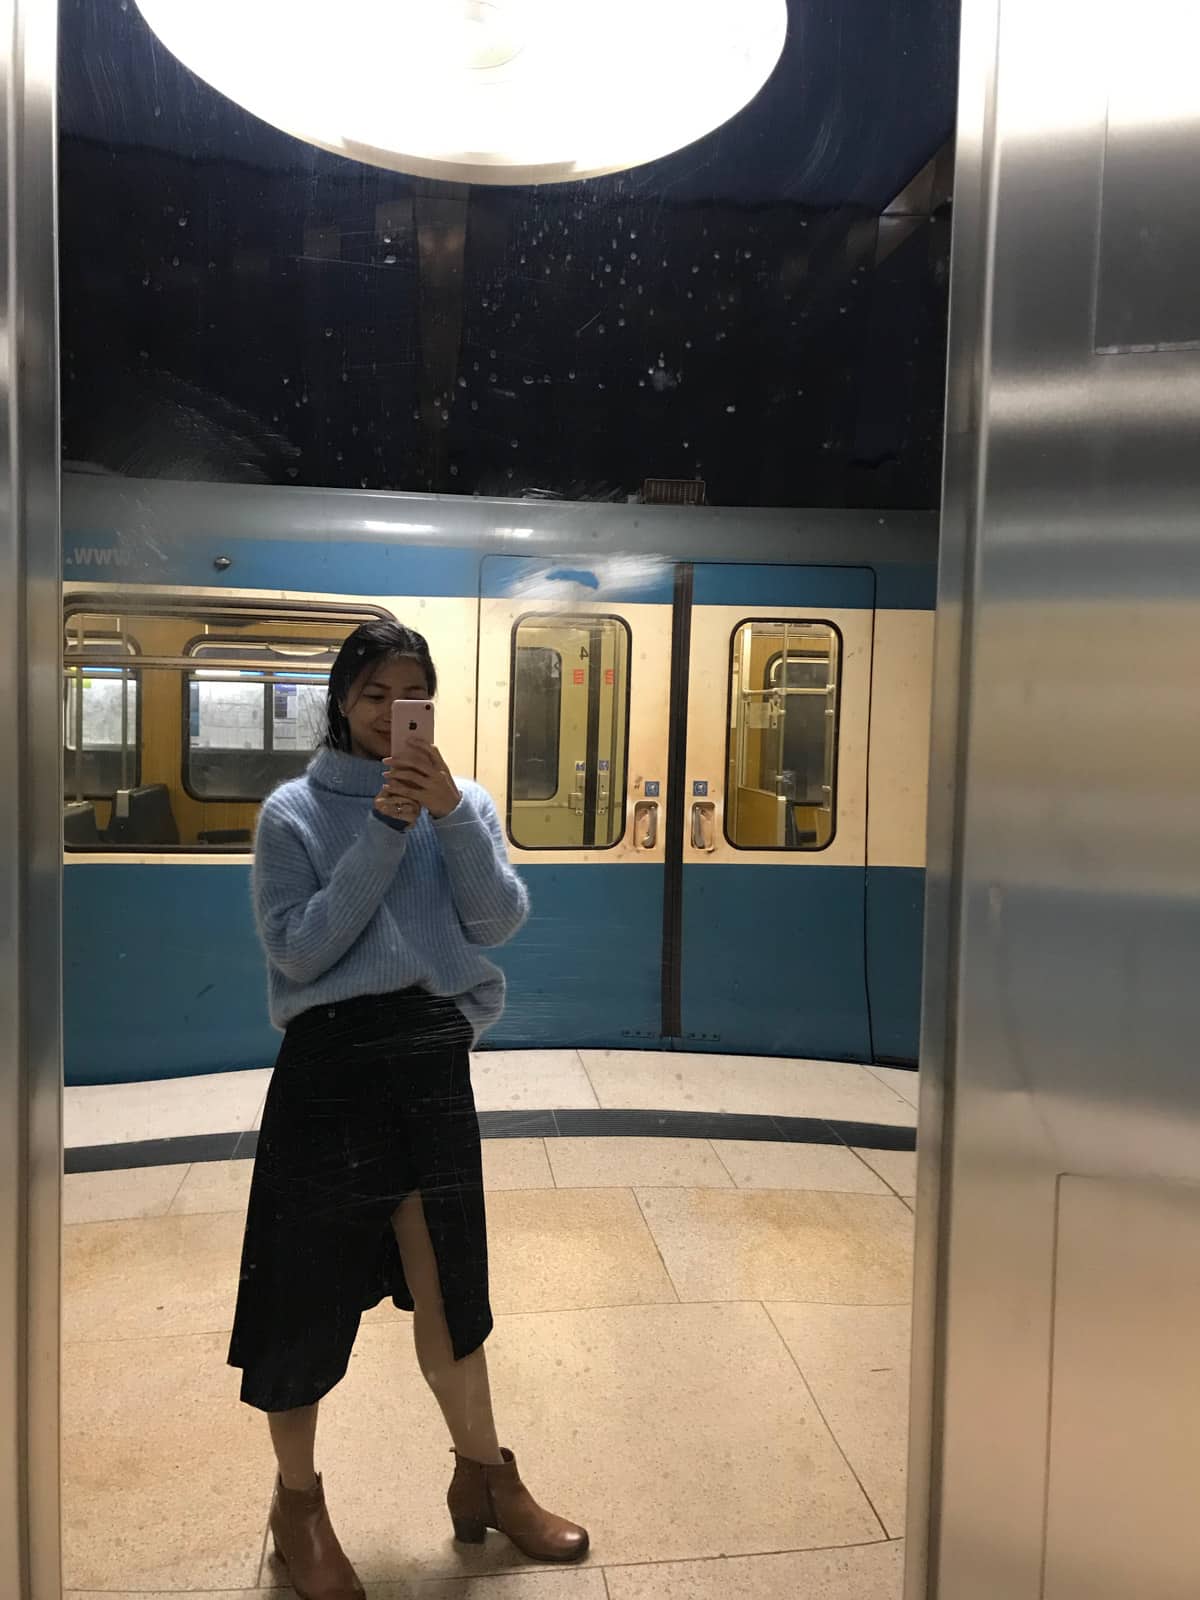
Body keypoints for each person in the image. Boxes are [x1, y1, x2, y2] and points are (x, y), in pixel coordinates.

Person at [227, 619, 588, 1600]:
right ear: (343, 700)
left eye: (411, 693)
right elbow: (300, 949)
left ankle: (486, 1476)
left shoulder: (457, 802)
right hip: (331, 1070)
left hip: (429, 1066)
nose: (392, 713)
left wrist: (448, 818)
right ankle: (296, 1507)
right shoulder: (293, 815)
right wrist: (385, 830)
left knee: (452, 1293)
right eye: (375, 693)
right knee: (300, 1300)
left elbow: (497, 919)